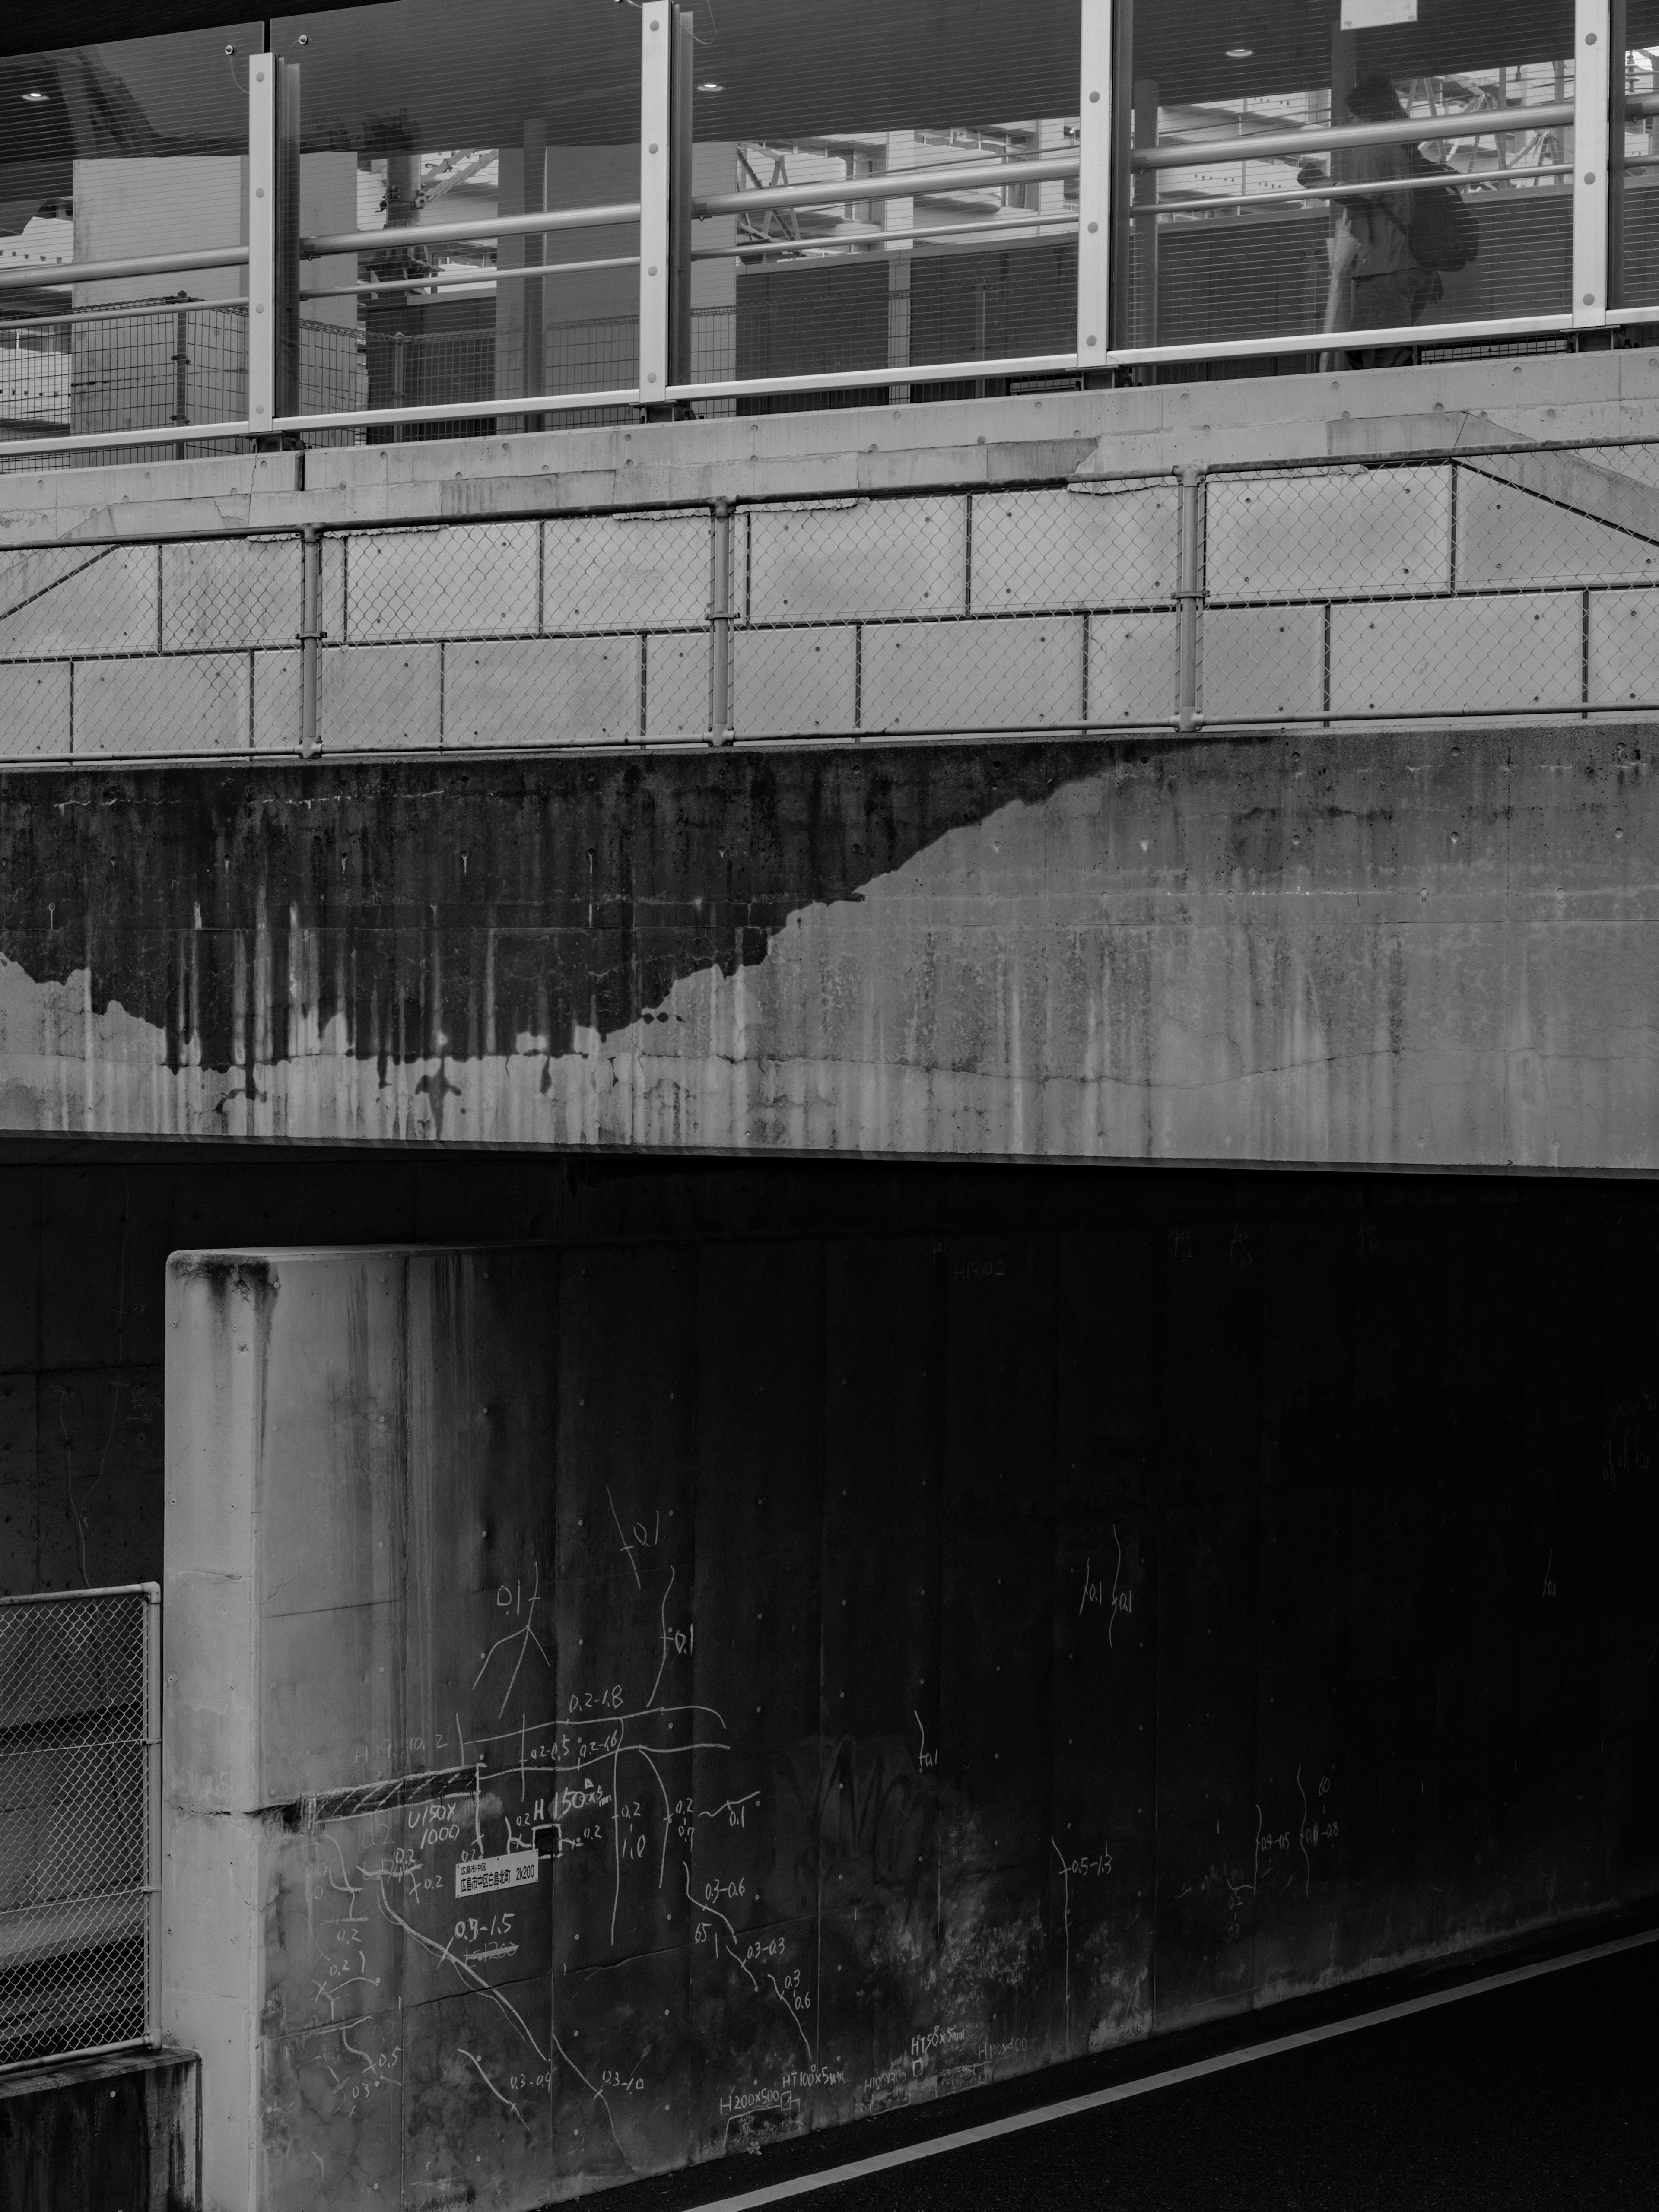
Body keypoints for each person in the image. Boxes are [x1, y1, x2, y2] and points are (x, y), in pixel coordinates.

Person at [1309, 76, 1438, 368]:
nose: (1351, 125)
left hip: (1384, 265)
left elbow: (1364, 198)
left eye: (1353, 117)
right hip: (1412, 263)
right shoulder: (1405, 147)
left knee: (1377, 356)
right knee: (1387, 349)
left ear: (1367, 115)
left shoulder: (1373, 145)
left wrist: (1321, 184)